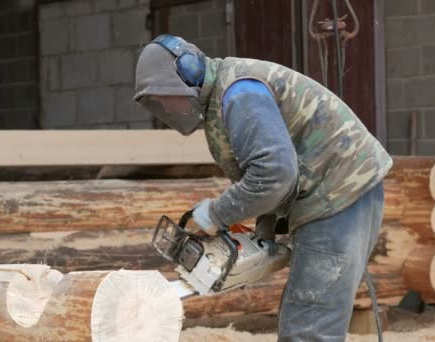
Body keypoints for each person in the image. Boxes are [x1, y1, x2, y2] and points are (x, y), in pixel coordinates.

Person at [133, 34, 393, 341]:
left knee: (309, 328)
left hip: (338, 194)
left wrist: (217, 213)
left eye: (164, 96)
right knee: (301, 315)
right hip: (332, 194)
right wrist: (262, 236)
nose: (166, 106)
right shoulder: (226, 95)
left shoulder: (239, 95)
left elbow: (274, 173)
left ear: (188, 73)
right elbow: (275, 175)